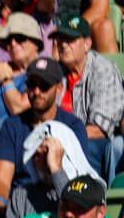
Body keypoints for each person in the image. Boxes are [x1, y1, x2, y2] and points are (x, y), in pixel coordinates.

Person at [0, 54, 94, 218]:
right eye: (31, 85)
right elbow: (2, 177)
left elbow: (77, 177)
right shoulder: (13, 125)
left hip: (61, 201)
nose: (36, 91)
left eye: (44, 86)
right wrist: (0, 205)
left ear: (59, 88)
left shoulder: (73, 126)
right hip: (22, 203)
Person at [49, 13, 124, 176]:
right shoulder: (56, 72)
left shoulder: (102, 70)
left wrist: (63, 138)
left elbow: (99, 129)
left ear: (87, 44)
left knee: (86, 148)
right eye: (61, 39)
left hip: (93, 143)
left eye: (70, 40)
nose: (63, 45)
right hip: (58, 141)